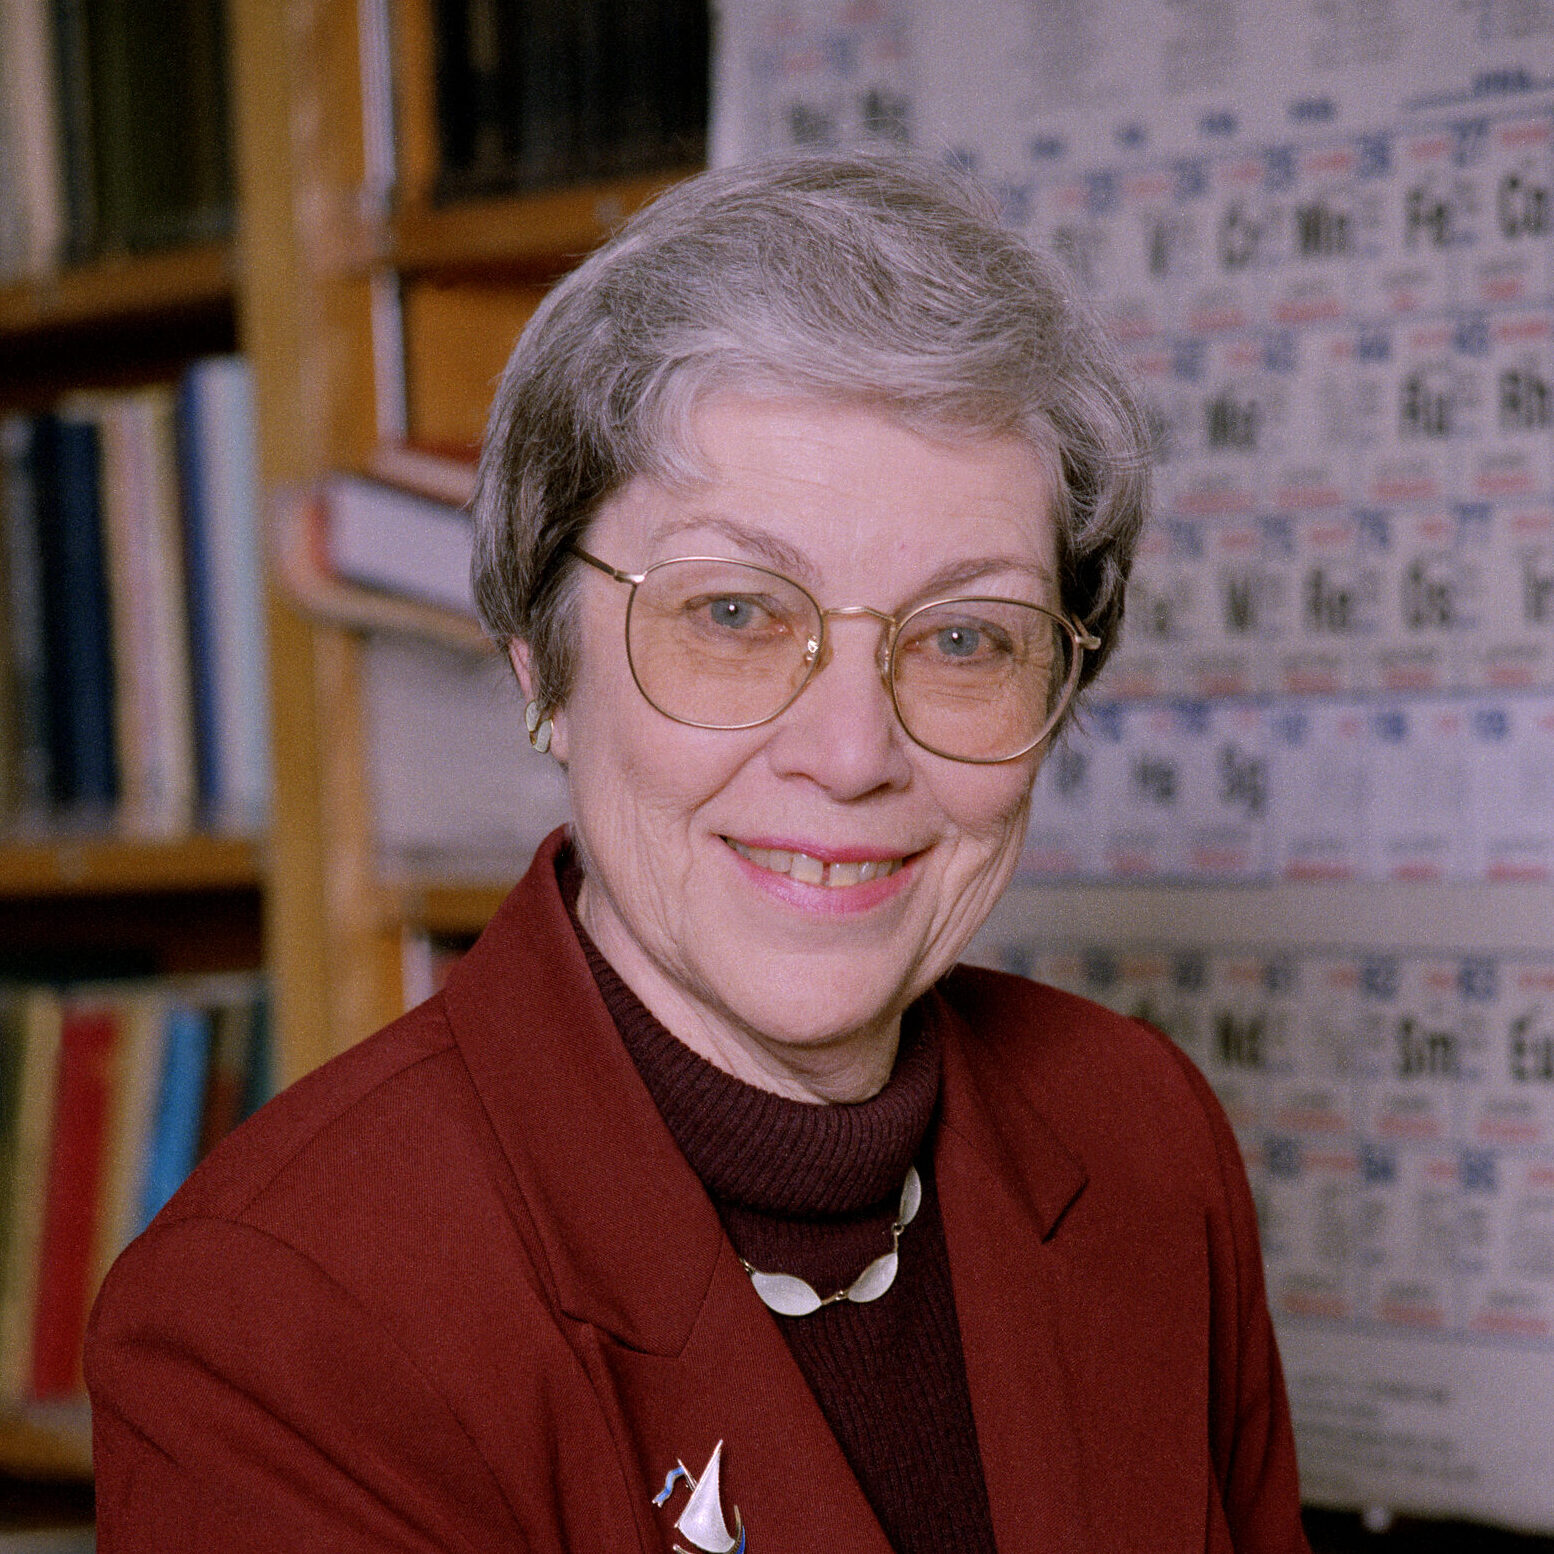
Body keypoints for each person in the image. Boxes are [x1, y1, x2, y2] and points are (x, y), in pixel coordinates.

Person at [87, 151, 1309, 1554]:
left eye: (965, 637)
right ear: (539, 662)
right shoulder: (286, 1318)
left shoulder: (1137, 1136)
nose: (851, 751)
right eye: (731, 614)